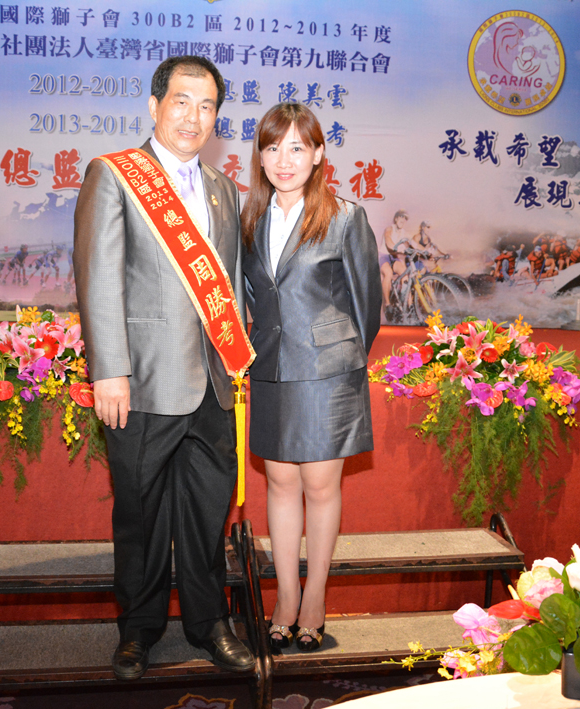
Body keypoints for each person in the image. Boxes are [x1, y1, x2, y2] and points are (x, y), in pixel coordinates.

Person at [73, 55, 254, 680]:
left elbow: (229, 284)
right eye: (181, 102)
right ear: (154, 106)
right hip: (143, 381)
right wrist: (109, 371)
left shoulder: (225, 189)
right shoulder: (115, 175)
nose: (193, 118)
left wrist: (237, 363)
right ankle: (138, 630)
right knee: (141, 516)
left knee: (207, 513)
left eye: (207, 107)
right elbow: (98, 277)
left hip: (212, 386)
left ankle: (210, 624)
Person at [240, 103, 382, 652]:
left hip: (327, 374)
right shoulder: (250, 219)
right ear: (260, 157)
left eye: (297, 147)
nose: (284, 160)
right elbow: (252, 298)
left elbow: (367, 307)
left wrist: (338, 357)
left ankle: (316, 596)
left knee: (321, 487)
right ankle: (286, 596)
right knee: (280, 484)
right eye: (273, 147)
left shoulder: (345, 218)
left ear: (318, 154)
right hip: (271, 368)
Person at [379, 210, 409, 310]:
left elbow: (412, 244)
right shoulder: (389, 228)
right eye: (401, 217)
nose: (403, 220)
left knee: (405, 275)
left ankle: (409, 306)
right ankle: (387, 305)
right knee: (388, 273)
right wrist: (395, 247)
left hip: (394, 257)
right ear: (396, 219)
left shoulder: (404, 232)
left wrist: (423, 251)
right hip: (383, 256)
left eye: (405, 219)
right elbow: (388, 239)